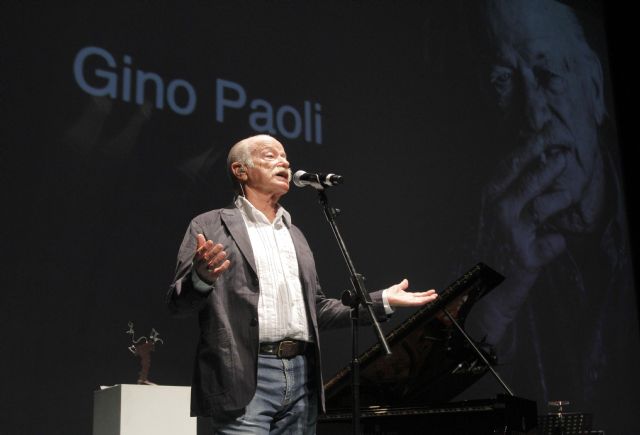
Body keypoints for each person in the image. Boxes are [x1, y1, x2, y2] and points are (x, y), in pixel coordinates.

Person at [424, 1, 640, 432]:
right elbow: (436, 394)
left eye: (549, 76)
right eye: (504, 82)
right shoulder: (475, 240)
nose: (536, 115)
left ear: (595, 89)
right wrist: (503, 288)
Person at [167, 134, 438, 434]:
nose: (284, 162)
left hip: (302, 379)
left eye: (285, 157)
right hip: (243, 376)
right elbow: (177, 304)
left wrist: (383, 299)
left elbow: (318, 309)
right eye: (270, 156)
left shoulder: (294, 234)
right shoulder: (209, 226)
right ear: (240, 170)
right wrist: (201, 278)